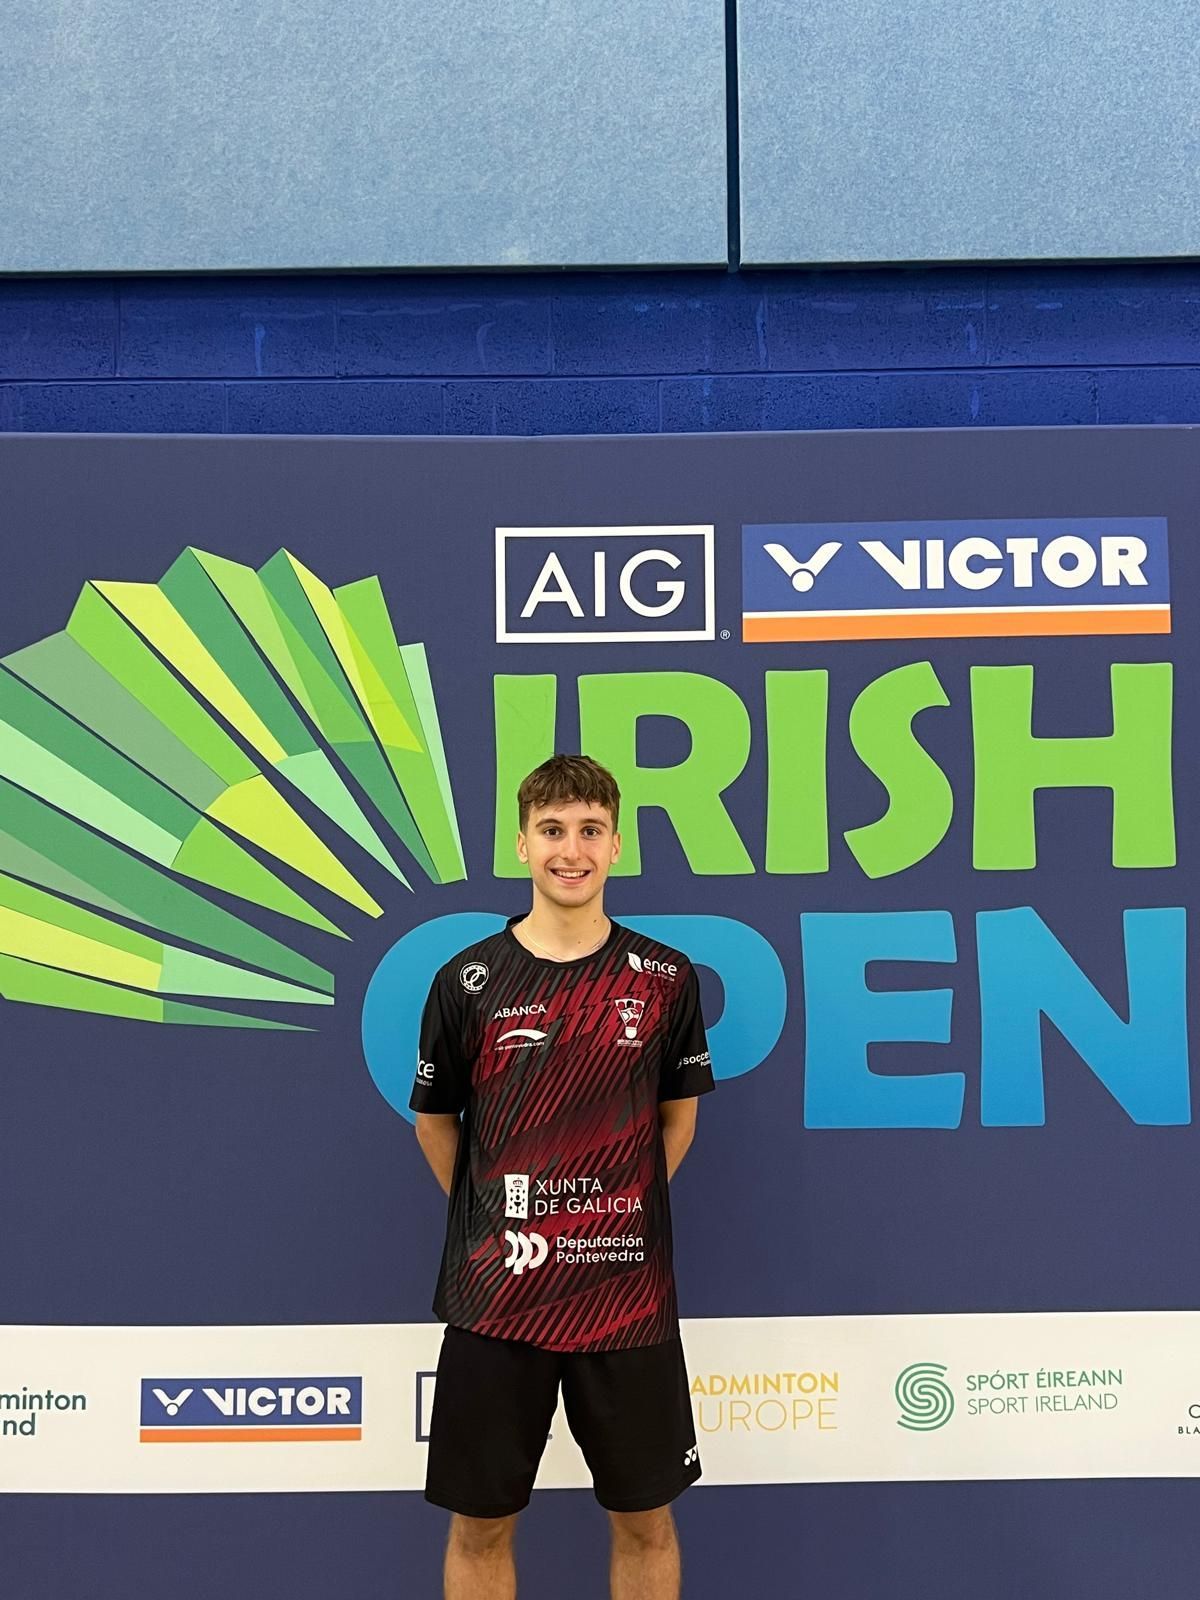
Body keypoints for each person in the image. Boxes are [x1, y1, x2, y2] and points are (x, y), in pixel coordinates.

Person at [410, 753, 715, 1600]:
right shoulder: (468, 980)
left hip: (626, 1299)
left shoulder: (664, 978)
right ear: (522, 844)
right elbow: (435, 1121)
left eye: (589, 831)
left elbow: (677, 1120)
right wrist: (497, 1218)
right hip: (495, 1297)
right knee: (480, 1527)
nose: (570, 850)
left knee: (646, 1521)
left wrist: (608, 1213)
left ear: (616, 845)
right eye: (551, 831)